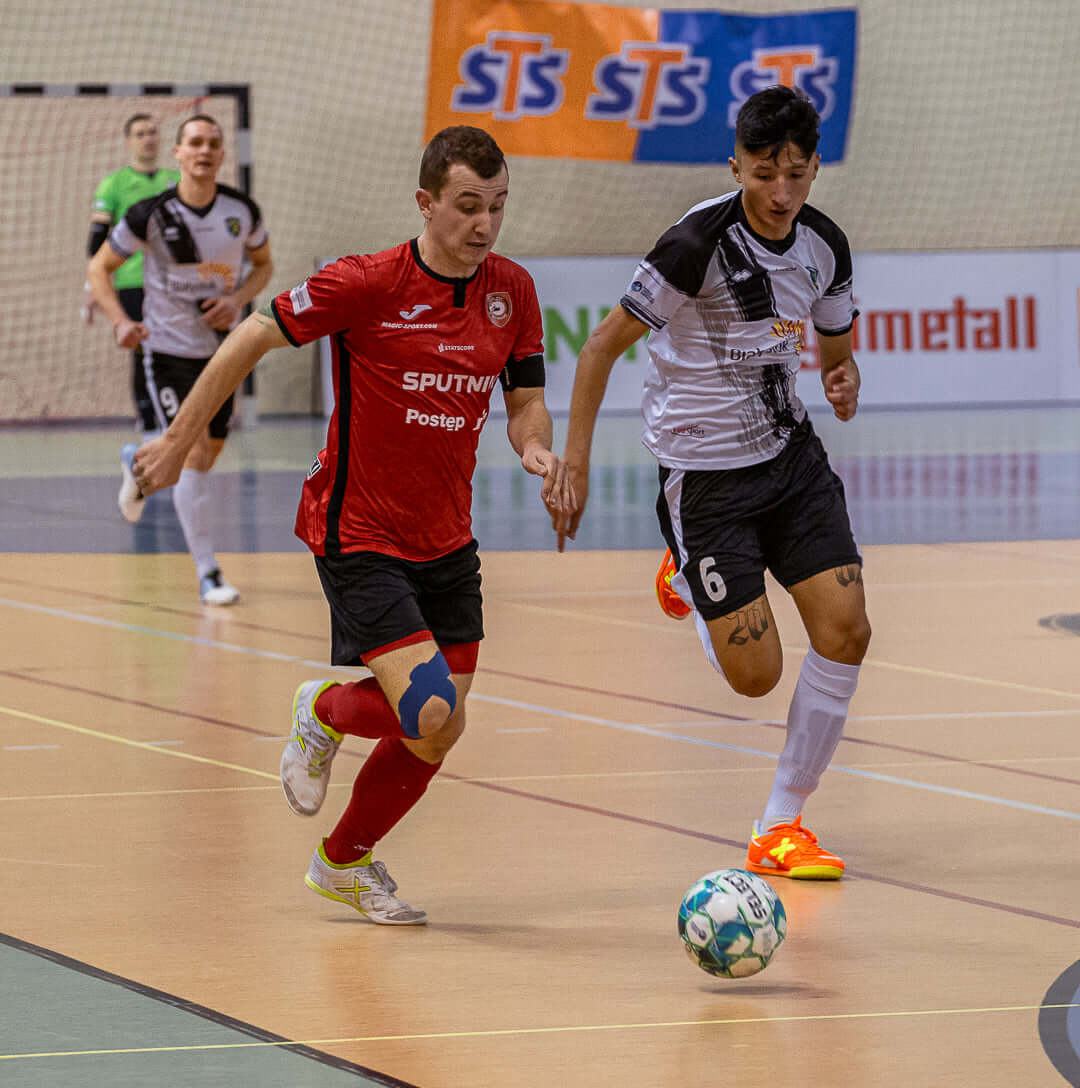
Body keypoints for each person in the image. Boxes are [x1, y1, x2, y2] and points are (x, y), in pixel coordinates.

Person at [132, 125, 574, 923]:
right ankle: (323, 710)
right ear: (425, 202)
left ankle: (343, 862)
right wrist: (177, 438)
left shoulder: (512, 291)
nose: (484, 223)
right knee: (429, 709)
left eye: (497, 206)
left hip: (448, 535)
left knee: (439, 731)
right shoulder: (367, 283)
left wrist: (537, 448)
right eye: (467, 206)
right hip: (358, 529)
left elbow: (525, 401)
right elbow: (251, 335)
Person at [554, 85, 871, 880]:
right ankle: (689, 579)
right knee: (757, 679)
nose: (780, 192)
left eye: (795, 174)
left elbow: (837, 352)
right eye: (763, 174)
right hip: (705, 480)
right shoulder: (694, 243)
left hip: (790, 462)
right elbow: (598, 349)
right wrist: (576, 464)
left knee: (847, 631)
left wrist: (843, 381)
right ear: (736, 167)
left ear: (814, 168)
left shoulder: (825, 245)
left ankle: (781, 825)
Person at [87, 114, 274, 605]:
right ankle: (209, 573)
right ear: (178, 153)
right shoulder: (150, 214)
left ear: (222, 154)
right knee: (191, 455)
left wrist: (237, 300)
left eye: (213, 143)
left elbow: (263, 265)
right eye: (195, 142)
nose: (204, 150)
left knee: (204, 458)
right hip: (167, 351)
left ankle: (137, 458)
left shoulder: (241, 211)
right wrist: (120, 322)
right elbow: (99, 268)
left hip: (222, 354)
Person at [82, 114, 181, 425]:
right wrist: (93, 286)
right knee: (143, 348)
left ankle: (176, 416)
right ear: (128, 141)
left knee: (177, 347)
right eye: (140, 134)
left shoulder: (176, 180)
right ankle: (148, 420)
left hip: (173, 283)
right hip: (132, 281)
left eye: (152, 132)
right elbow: (97, 241)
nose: (148, 138)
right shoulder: (114, 184)